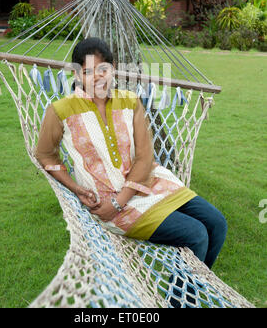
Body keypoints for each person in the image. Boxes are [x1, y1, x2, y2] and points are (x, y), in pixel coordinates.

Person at [35, 37, 227, 270]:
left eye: (102, 69)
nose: (96, 76)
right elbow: (45, 155)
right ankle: (180, 300)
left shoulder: (130, 101)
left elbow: (145, 156)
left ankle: (191, 289)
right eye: (87, 71)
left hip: (150, 185)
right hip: (107, 203)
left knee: (217, 224)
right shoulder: (60, 111)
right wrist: (75, 188)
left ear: (113, 69)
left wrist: (120, 200)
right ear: (77, 75)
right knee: (197, 234)